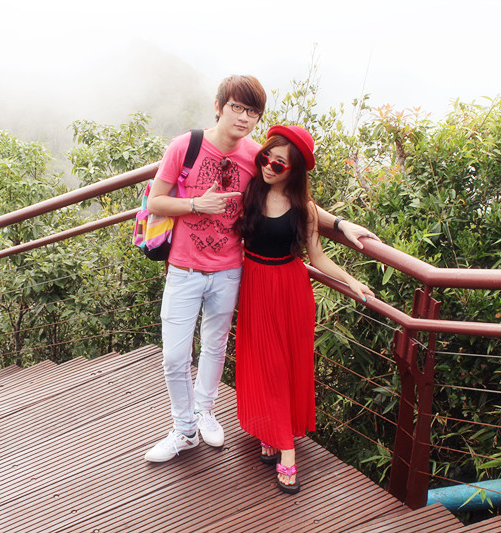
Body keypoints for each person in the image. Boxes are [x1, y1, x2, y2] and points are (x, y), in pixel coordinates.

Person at [144, 75, 377, 463]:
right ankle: (183, 429)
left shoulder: (256, 156)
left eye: (252, 111)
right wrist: (196, 205)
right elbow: (155, 202)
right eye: (236, 107)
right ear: (218, 106)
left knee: (215, 346)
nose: (243, 117)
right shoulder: (184, 146)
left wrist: (339, 224)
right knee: (174, 356)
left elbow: (292, 194)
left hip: (229, 270)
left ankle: (204, 412)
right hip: (184, 268)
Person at [235, 124, 374, 493]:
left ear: (294, 171)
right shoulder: (251, 190)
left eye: (279, 164)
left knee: (284, 366)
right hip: (255, 286)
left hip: (290, 289)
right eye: (266, 157)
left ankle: (286, 447)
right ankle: (271, 430)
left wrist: (351, 280)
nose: (269, 166)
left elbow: (317, 258)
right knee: (263, 363)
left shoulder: (304, 209)